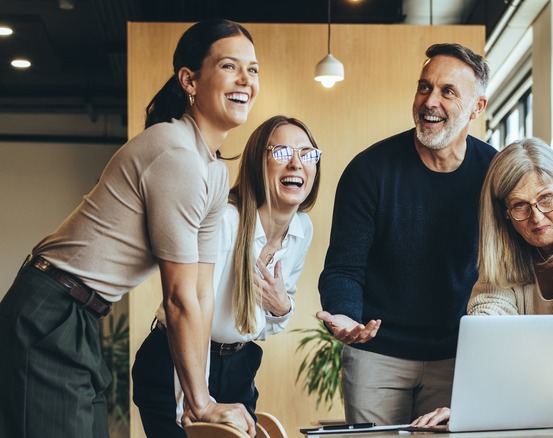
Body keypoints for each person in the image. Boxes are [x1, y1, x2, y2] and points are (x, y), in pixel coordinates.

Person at [0, 19, 259, 438]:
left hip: (79, 313)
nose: (245, 80)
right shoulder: (175, 153)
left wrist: (199, 398)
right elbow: (176, 298)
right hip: (49, 310)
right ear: (189, 80)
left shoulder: (211, 172)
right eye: (230, 66)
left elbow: (199, 292)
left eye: (253, 69)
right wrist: (201, 403)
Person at [316, 43, 496, 425]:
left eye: (448, 91)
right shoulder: (369, 171)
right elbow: (344, 269)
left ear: (477, 108)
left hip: (459, 355)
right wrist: (346, 316)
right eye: (424, 87)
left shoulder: (495, 173)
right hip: (377, 355)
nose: (430, 101)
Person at [411, 138, 553, 428]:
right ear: (504, 213)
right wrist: (472, 408)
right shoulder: (505, 247)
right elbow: (489, 334)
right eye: (520, 206)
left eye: (546, 198)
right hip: (534, 404)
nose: (537, 217)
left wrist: (485, 406)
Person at [133, 116, 321, 436]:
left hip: (237, 365)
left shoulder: (302, 230)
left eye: (307, 154)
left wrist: (281, 307)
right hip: (179, 359)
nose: (296, 164)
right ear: (256, 163)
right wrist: (193, 402)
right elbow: (191, 315)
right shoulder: (226, 222)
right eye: (281, 153)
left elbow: (265, 327)